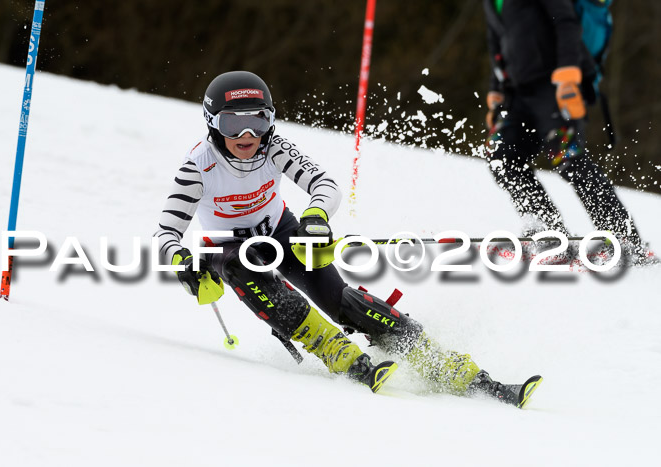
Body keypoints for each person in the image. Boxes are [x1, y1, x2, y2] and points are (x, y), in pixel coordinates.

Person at [155, 70, 540, 406]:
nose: (246, 135)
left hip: (282, 231)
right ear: (211, 124)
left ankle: (448, 367)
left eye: (258, 121)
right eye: (231, 124)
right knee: (241, 267)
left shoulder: (274, 148)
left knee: (341, 301)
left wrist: (316, 216)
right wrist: (180, 261)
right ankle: (336, 352)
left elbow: (324, 184)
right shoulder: (198, 167)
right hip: (230, 248)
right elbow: (165, 232)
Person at [482, 0, 649, 263]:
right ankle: (550, 236)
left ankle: (625, 240)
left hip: (556, 86)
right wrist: (496, 92)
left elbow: (567, 22)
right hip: (518, 94)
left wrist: (568, 74)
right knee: (503, 157)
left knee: (567, 156)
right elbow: (497, 43)